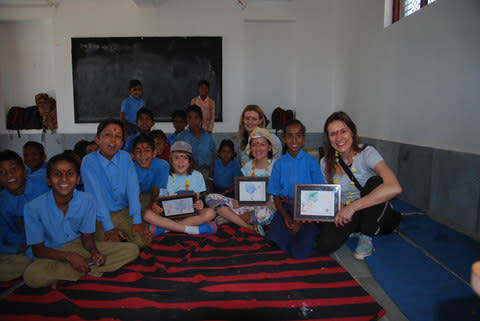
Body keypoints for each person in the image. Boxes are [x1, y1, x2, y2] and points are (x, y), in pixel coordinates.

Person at [23, 153, 139, 288]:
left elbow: (86, 237)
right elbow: (38, 250)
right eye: (57, 174)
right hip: (52, 252)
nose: (64, 179)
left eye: (70, 174)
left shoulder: (87, 200)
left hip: (79, 246)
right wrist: (69, 257)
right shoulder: (32, 208)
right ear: (48, 180)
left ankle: (74, 271)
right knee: (32, 275)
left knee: (131, 250)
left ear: (78, 179)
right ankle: (86, 268)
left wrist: (94, 252)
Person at [316, 111, 402, 259]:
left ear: (352, 133)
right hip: (349, 214)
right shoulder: (325, 162)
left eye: (343, 131)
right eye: (333, 134)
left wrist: (353, 207)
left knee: (376, 182)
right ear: (328, 139)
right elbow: (328, 198)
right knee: (323, 245)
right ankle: (358, 229)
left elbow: (394, 187)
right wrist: (318, 212)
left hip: (376, 212)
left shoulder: (367, 152)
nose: (339, 138)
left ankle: (366, 237)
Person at [80, 119, 151, 248]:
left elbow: (133, 189)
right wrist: (108, 227)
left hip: (123, 211)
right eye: (108, 135)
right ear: (97, 139)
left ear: (122, 143)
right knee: (114, 247)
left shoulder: (125, 157)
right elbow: (96, 196)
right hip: (100, 217)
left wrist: (137, 220)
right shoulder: (88, 162)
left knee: (144, 241)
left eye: (118, 136)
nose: (113, 140)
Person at [265, 120, 324, 259]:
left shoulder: (311, 162)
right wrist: (285, 217)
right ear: (284, 139)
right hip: (286, 207)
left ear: (303, 138)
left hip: (308, 210)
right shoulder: (279, 164)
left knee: (301, 250)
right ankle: (289, 237)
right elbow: (275, 195)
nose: (294, 140)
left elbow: (319, 192)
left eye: (298, 136)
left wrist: (300, 220)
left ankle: (300, 240)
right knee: (273, 237)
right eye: (290, 136)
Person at [206, 127, 278, 235]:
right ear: (250, 147)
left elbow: (279, 197)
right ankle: (247, 226)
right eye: (254, 144)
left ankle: (229, 219)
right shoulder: (247, 167)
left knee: (263, 213)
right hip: (246, 207)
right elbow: (245, 192)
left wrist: (269, 203)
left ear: (269, 147)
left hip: (266, 207)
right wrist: (239, 201)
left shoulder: (277, 166)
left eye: (262, 144)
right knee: (210, 197)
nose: (258, 148)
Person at [143, 141, 217, 237]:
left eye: (185, 158)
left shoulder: (197, 176)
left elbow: (197, 201)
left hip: (190, 215)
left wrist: (200, 205)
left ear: (190, 161)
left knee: (210, 213)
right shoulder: (164, 176)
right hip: (168, 216)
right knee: (147, 214)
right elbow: (160, 199)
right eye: (176, 157)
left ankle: (166, 229)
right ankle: (194, 229)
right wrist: (156, 207)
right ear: (170, 159)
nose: (180, 162)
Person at [0, 150, 50, 281]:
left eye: (13, 169)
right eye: (2, 172)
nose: (9, 175)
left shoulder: (44, 181)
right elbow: (11, 233)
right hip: (31, 245)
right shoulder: (3, 202)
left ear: (25, 171)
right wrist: (22, 246)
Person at [176, 105, 215, 183]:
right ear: (187, 119)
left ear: (201, 119)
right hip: (186, 174)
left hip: (205, 174)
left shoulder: (208, 137)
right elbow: (176, 158)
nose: (193, 120)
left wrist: (210, 178)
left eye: (196, 117)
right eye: (190, 117)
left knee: (204, 195)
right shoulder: (181, 137)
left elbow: (213, 158)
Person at [131, 134, 169, 208]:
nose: (143, 155)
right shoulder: (130, 169)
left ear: (154, 153)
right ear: (133, 155)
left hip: (157, 194)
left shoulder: (163, 166)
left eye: (147, 150)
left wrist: (150, 208)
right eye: (138, 151)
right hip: (138, 195)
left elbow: (157, 192)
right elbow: (134, 195)